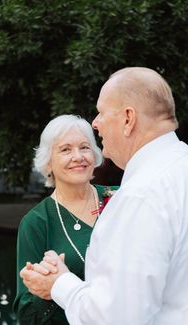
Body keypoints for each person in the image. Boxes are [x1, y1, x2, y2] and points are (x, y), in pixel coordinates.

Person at [20, 67, 188, 324]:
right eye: (65, 149)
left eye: (101, 112)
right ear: (48, 163)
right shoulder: (179, 167)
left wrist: (60, 283)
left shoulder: (137, 197)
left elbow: (115, 317)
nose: (95, 122)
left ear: (128, 118)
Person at [13, 114, 119, 324]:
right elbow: (26, 315)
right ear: (48, 163)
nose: (78, 157)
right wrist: (49, 290)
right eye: (65, 149)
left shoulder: (121, 198)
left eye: (85, 147)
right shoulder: (35, 223)